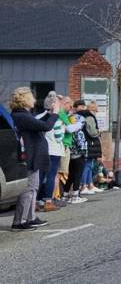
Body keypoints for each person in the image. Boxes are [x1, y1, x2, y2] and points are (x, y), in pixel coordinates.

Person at [9, 87, 58, 231]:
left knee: (33, 189)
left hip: (34, 157)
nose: (35, 100)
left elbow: (38, 122)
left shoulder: (24, 115)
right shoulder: (21, 116)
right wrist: (54, 114)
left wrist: (49, 113)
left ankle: (30, 217)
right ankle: (19, 221)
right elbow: (45, 126)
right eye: (32, 97)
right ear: (25, 99)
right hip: (30, 157)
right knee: (28, 189)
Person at [38, 92, 65, 212]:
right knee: (50, 176)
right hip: (54, 150)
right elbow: (59, 137)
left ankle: (37, 201)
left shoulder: (38, 117)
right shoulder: (57, 120)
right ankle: (48, 201)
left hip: (40, 150)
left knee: (39, 176)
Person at [61, 97, 87, 204]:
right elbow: (79, 135)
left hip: (68, 150)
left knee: (70, 174)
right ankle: (75, 195)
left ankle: (65, 194)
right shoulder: (80, 119)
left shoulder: (66, 118)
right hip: (78, 151)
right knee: (78, 173)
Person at [76, 100, 103, 196]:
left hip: (85, 142)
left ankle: (90, 185)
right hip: (89, 143)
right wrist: (98, 132)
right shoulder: (90, 117)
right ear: (93, 110)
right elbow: (92, 132)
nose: (96, 112)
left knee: (89, 165)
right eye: (96, 110)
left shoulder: (82, 115)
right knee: (87, 165)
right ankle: (84, 186)